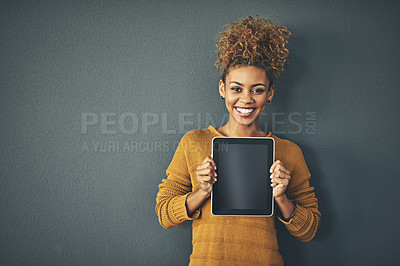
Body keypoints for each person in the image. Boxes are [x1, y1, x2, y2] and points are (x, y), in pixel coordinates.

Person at [155, 15, 321, 265]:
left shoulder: (288, 152)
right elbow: (164, 215)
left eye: (257, 89)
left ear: (270, 93)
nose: (246, 99)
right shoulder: (194, 142)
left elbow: (309, 230)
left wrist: (281, 198)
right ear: (222, 89)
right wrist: (202, 192)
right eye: (236, 88)